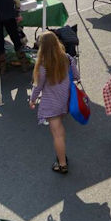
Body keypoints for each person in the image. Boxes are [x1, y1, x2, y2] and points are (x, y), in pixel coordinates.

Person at [28, 30, 80, 174]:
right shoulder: (67, 58)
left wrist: (32, 100)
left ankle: (62, 164)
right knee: (59, 130)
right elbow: (76, 76)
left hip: (52, 102)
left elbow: (38, 86)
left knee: (56, 133)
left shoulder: (43, 65)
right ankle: (62, 153)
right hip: (65, 99)